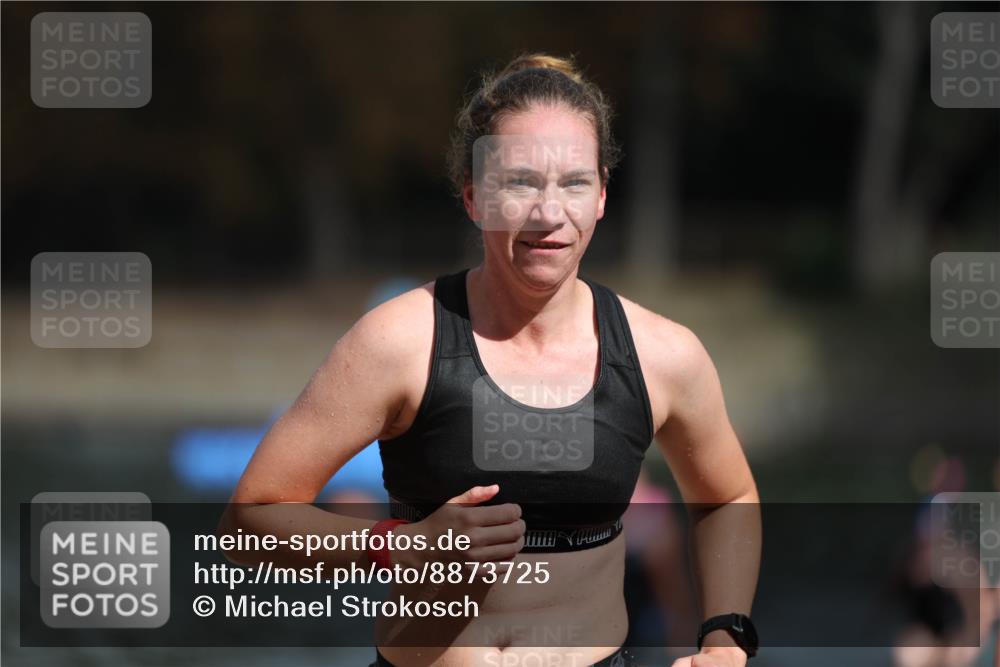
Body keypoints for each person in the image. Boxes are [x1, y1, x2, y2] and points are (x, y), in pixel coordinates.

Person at [222, 52, 761, 667]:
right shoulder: (399, 342)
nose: (549, 214)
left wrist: (725, 638)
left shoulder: (663, 355)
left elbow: (726, 498)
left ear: (603, 196)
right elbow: (251, 516)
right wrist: (404, 546)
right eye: (520, 182)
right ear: (475, 197)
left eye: (574, 183)